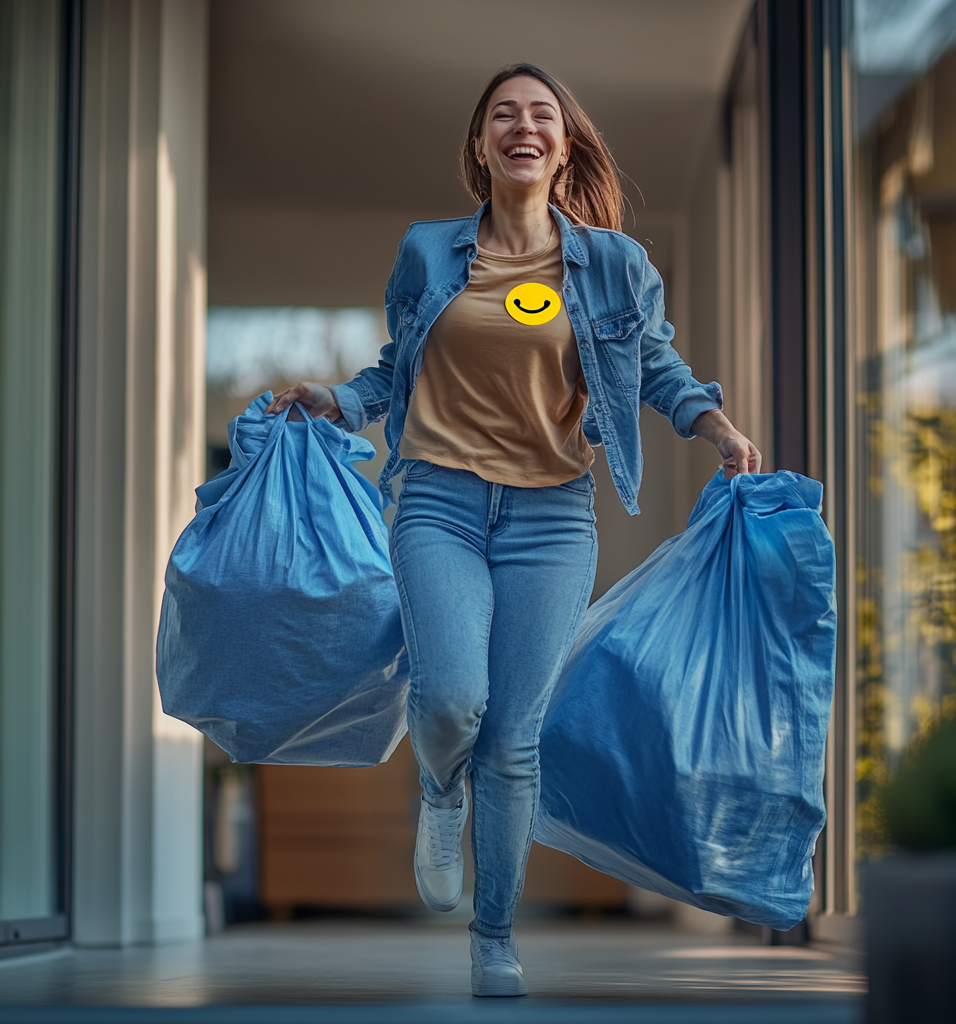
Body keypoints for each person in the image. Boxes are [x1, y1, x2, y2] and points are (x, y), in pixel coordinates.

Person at [267, 63, 761, 997]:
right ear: (481, 148)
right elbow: (392, 373)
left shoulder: (614, 265)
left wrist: (717, 427)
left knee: (516, 735)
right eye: (504, 114)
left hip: (552, 517)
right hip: (439, 504)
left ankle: (494, 936)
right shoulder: (427, 252)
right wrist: (335, 401)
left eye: (541, 114)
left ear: (563, 144)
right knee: (453, 700)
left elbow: (657, 368)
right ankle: (438, 792)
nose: (523, 125)